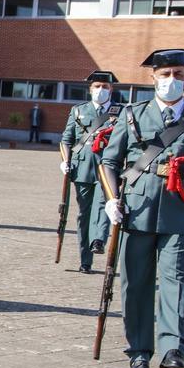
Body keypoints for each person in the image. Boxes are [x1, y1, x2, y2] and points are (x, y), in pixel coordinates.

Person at [99, 49, 184, 368]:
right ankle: (139, 353)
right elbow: (109, 161)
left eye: (178, 74)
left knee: (175, 280)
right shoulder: (131, 115)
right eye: (165, 74)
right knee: (136, 285)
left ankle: (173, 349)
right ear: (153, 77)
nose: (172, 80)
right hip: (136, 212)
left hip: (180, 212)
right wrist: (111, 200)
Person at [60, 71, 123, 273]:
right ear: (90, 89)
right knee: (84, 214)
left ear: (111, 89)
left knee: (103, 205)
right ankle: (85, 260)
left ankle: (99, 240)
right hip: (83, 168)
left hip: (108, 170)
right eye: (97, 86)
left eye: (105, 87)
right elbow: (66, 139)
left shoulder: (121, 112)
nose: (101, 90)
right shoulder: (79, 110)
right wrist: (65, 160)